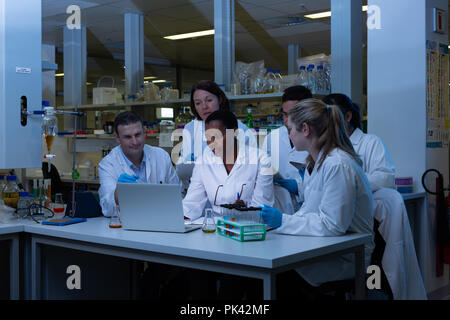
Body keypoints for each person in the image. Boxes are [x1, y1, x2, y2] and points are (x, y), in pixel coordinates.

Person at [260, 98, 374, 290]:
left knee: (274, 278)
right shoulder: (318, 161)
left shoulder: (337, 164)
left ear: (305, 129)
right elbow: (312, 210)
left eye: (290, 130)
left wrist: (283, 221)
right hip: (324, 247)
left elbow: (333, 225)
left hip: (346, 256)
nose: (289, 136)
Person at [183, 109, 273, 221]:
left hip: (248, 228)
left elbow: (262, 209)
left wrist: (244, 210)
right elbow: (191, 204)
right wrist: (179, 218)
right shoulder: (203, 162)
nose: (211, 143)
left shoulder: (261, 160)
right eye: (208, 138)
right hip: (217, 228)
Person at [176, 80, 255, 196]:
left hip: (232, 195)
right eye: (198, 103)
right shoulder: (190, 129)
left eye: (209, 100)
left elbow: (250, 170)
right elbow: (183, 168)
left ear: (220, 99)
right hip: (197, 194)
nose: (204, 106)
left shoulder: (241, 129)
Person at [98, 111, 180, 217]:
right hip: (128, 225)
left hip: (163, 220)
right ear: (117, 138)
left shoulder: (161, 156)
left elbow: (177, 195)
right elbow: (107, 210)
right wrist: (119, 192)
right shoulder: (108, 164)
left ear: (144, 132)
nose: (135, 142)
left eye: (137, 135)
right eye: (127, 137)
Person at [322, 94, 395, 192]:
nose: (326, 124)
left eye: (331, 118)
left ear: (348, 116)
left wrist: (348, 182)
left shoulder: (370, 142)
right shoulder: (325, 146)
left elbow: (386, 180)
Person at [262, 86, 312, 214]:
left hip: (309, 210)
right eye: (285, 114)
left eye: (293, 114)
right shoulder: (272, 137)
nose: (287, 120)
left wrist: (298, 186)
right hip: (280, 207)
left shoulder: (317, 139)